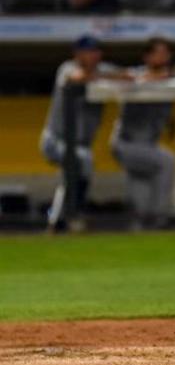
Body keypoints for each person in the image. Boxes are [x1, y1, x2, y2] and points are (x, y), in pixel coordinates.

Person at [40, 35, 126, 231]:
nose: (94, 55)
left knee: (74, 171)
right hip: (55, 140)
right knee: (81, 162)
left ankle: (60, 220)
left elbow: (127, 76)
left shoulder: (104, 70)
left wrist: (105, 76)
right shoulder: (67, 67)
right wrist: (102, 77)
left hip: (80, 144)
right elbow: (76, 78)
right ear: (78, 54)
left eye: (96, 51)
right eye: (89, 51)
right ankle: (73, 214)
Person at [110, 37, 175, 229]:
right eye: (158, 53)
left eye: (166, 53)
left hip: (148, 145)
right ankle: (160, 219)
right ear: (147, 56)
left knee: (140, 207)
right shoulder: (135, 74)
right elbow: (123, 77)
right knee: (167, 161)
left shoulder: (173, 78)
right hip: (126, 143)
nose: (163, 57)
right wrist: (166, 75)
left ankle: (145, 224)